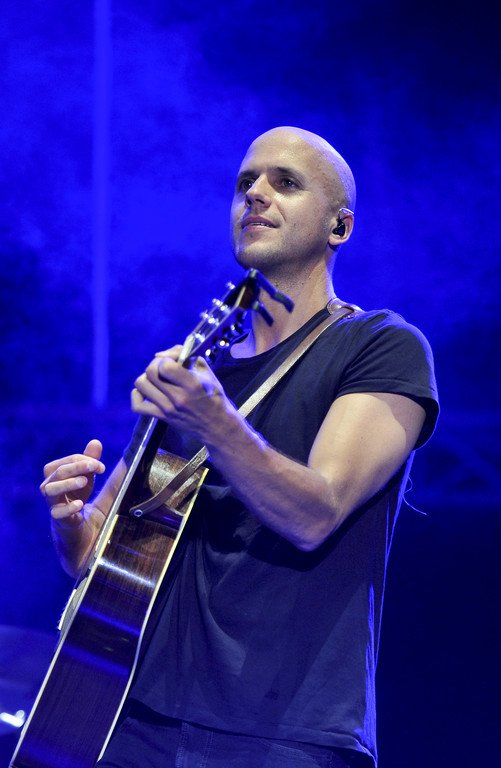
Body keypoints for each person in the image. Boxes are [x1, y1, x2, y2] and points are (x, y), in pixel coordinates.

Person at [41, 127, 438, 767]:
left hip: (281, 731)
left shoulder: (381, 345)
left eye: (286, 183)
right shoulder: (199, 372)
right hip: (131, 716)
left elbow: (316, 513)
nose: (255, 194)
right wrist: (70, 522)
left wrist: (212, 420)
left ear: (339, 227)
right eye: (245, 183)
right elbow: (96, 553)